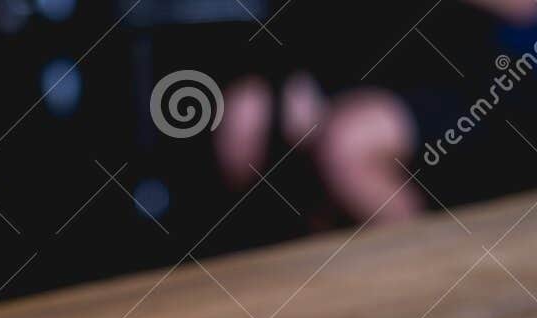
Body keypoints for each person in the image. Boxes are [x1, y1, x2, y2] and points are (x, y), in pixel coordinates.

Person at [215, 0, 537, 221]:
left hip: (468, 77)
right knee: (243, 122)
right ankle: (304, 278)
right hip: (357, 68)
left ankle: (424, 274)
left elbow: (523, 7)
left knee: (349, 144)